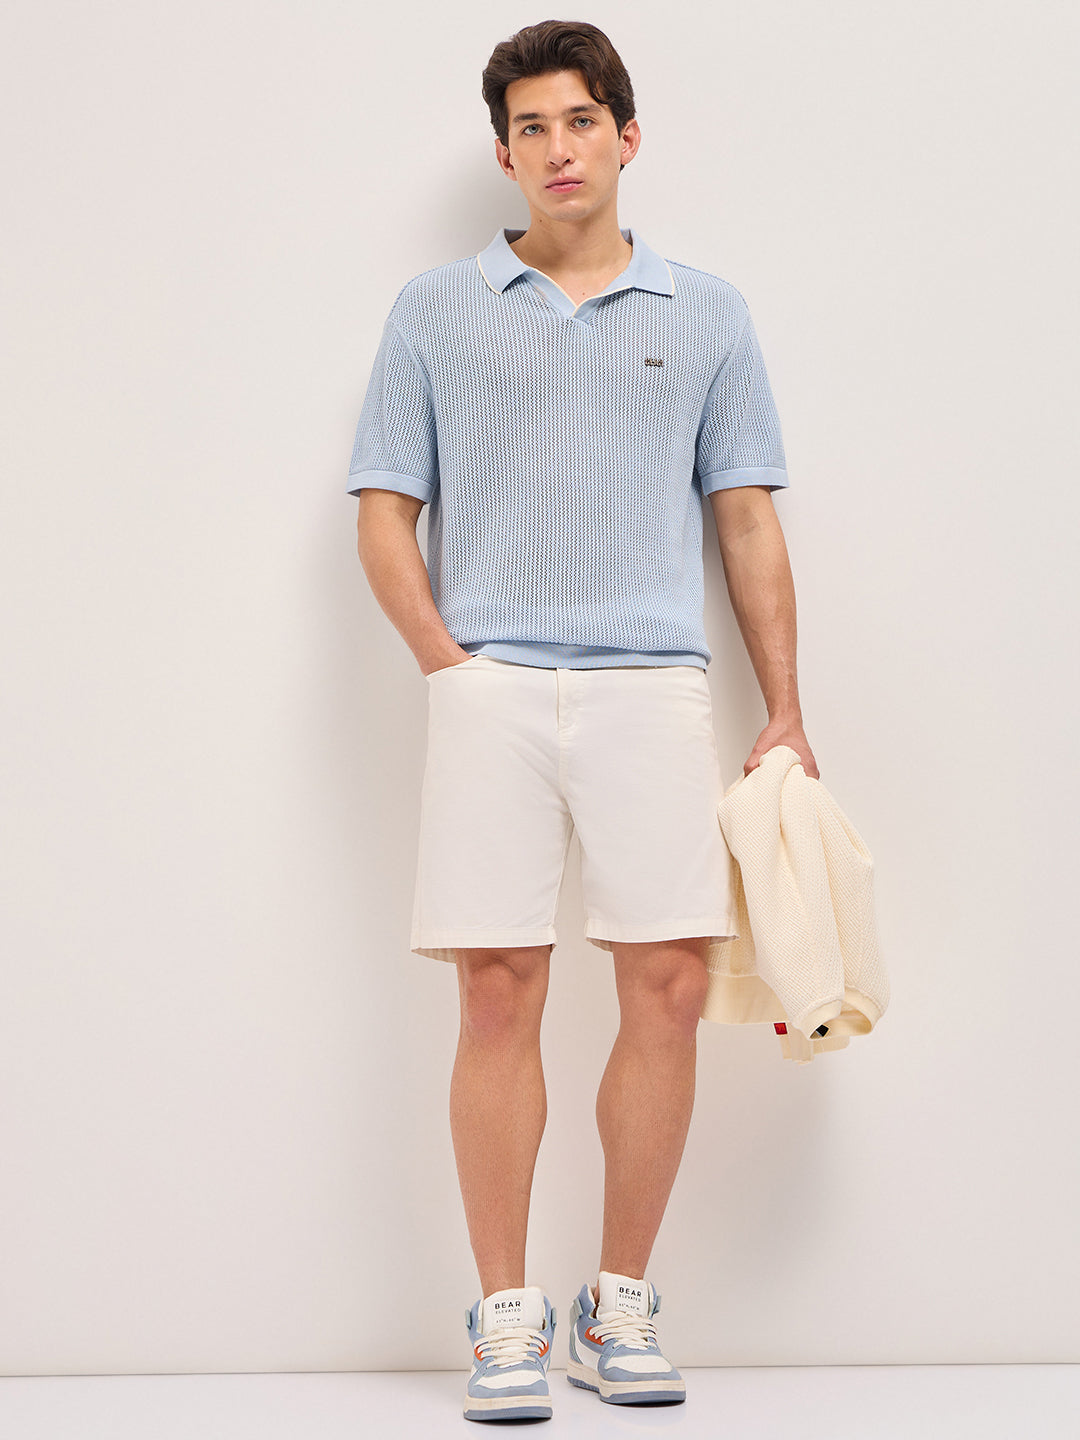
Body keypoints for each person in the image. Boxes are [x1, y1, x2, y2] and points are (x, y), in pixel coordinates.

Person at [347, 18, 819, 1423]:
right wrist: (449, 664)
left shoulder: (707, 312)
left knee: (665, 986)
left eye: (581, 121)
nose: (559, 148)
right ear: (504, 153)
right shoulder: (434, 311)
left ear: (626, 135)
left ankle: (621, 1302)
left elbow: (747, 520)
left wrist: (788, 709)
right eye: (532, 128)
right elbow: (385, 511)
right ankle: (505, 1316)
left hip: (651, 687)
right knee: (496, 990)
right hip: (489, 685)